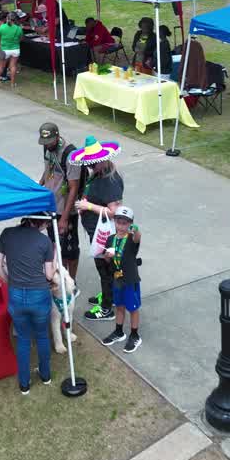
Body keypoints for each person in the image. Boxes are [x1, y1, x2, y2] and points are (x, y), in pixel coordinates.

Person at [0, 217, 55, 395]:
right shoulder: (45, 241)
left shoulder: (7, 233)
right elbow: (50, 275)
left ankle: (24, 384)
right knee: (42, 336)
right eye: (47, 224)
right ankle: (45, 376)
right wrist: (55, 255)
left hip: (16, 295)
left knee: (23, 339)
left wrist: (11, 283)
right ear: (42, 222)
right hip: (39, 295)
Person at [72, 137, 124, 321]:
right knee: (106, 268)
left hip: (104, 234)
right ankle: (109, 296)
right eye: (89, 163)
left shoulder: (108, 181)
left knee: (105, 269)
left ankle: (107, 308)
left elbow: (114, 211)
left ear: (103, 159)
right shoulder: (100, 173)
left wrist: (88, 207)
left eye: (94, 163)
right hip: (98, 232)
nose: (90, 166)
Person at [38, 122, 84, 280]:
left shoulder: (71, 155)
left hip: (66, 211)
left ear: (57, 136)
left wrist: (64, 218)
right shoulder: (48, 148)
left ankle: (71, 281)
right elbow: (47, 170)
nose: (46, 145)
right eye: (44, 142)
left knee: (70, 250)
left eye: (49, 141)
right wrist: (39, 189)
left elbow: (74, 187)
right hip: (51, 207)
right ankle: (62, 279)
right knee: (56, 246)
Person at [99, 206, 144, 353]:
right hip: (117, 278)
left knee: (133, 308)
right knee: (119, 306)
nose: (122, 225)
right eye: (119, 221)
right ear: (114, 221)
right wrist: (107, 256)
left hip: (130, 279)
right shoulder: (110, 239)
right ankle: (119, 331)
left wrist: (135, 229)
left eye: (125, 223)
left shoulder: (131, 238)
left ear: (130, 223)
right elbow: (106, 261)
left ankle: (135, 335)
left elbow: (138, 237)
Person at [0, 11, 23, 90]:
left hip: (4, 49)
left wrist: (3, 40)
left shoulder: (2, 27)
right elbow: (21, 39)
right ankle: (12, 84)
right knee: (13, 66)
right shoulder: (19, 28)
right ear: (15, 19)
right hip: (15, 49)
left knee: (0, 66)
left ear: (7, 18)